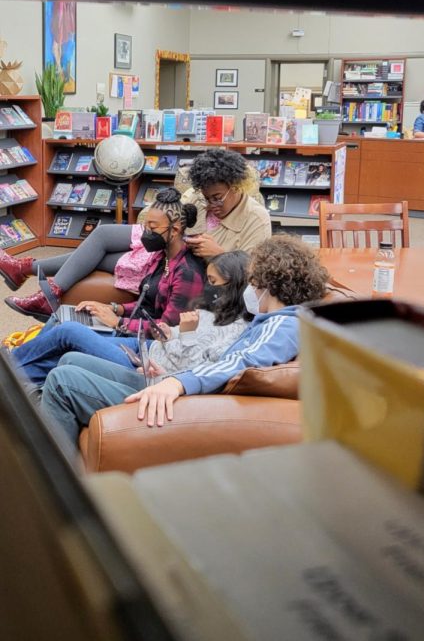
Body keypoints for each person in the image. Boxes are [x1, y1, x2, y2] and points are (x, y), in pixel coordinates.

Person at [39, 234, 329, 446]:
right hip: (180, 384)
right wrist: (172, 375)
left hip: (189, 404)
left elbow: (242, 361)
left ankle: (57, 488)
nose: (249, 291)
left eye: (253, 283)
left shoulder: (282, 325)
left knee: (63, 380)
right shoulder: (274, 321)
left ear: (269, 284)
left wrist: (177, 382)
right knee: (71, 359)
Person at [1, 148, 272, 319]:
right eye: (206, 197)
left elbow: (256, 274)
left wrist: (220, 254)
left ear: (238, 187)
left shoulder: (256, 218)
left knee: (105, 256)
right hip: (166, 249)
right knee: (104, 235)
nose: (211, 205)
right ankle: (30, 275)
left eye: (218, 198)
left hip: (190, 270)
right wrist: (162, 221)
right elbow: (170, 212)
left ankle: (30, 273)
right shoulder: (198, 199)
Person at [9, 188, 207, 383]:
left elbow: (166, 330)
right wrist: (114, 308)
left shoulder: (187, 273)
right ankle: (16, 378)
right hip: (132, 330)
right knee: (61, 317)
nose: (146, 233)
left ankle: (10, 368)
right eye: (146, 226)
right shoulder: (161, 256)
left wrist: (118, 322)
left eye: (153, 229)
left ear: (175, 230)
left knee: (67, 332)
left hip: (146, 347)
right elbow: (144, 304)